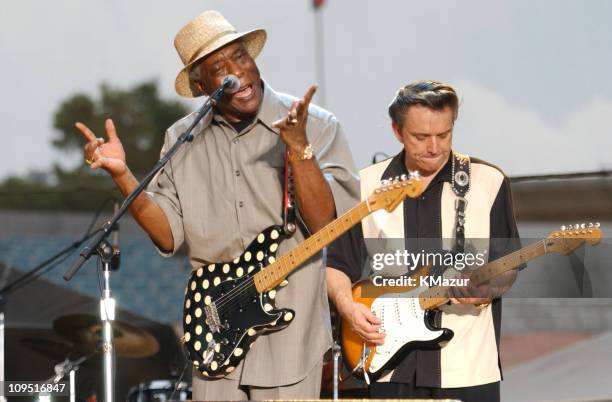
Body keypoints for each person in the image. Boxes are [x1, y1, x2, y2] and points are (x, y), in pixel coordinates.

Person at [76, 10, 359, 401]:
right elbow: (167, 234)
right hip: (214, 330)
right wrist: (123, 175)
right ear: (200, 83)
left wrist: (298, 147)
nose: (237, 72)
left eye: (240, 56)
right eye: (219, 66)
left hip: (289, 339)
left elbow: (325, 222)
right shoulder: (181, 138)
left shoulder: (317, 125)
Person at [326, 80, 520, 402]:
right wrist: (348, 308)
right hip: (388, 363)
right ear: (396, 131)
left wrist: (486, 288)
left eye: (443, 135)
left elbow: (508, 266)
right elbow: (336, 265)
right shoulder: (366, 186)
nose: (434, 147)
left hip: (468, 366)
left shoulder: (489, 181)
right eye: (420, 137)